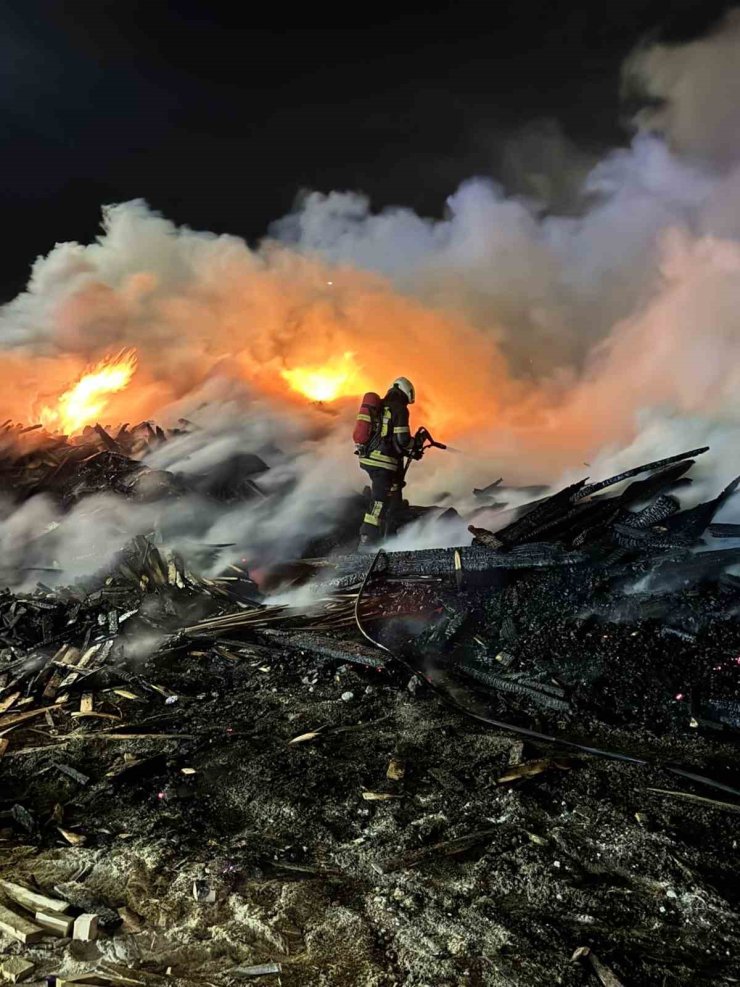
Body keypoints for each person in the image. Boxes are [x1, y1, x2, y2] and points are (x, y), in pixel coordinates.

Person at [357, 377, 416, 547]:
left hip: (369, 457)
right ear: (407, 393)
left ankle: (390, 533)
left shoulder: (382, 406)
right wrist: (415, 444)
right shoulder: (400, 409)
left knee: (393, 491)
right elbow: (402, 439)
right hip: (383, 462)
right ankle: (367, 540)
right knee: (380, 500)